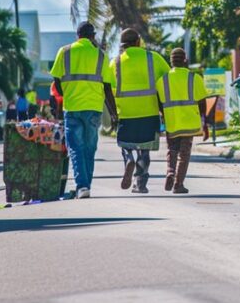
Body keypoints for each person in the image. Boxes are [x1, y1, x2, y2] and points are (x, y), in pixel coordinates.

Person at [50, 21, 115, 199]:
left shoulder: (64, 52)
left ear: (77, 36)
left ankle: (82, 186)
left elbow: (57, 80)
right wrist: (114, 113)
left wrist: (66, 95)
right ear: (93, 36)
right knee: (89, 148)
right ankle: (85, 185)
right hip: (94, 108)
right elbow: (107, 87)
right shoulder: (102, 55)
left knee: (76, 149)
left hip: (72, 107)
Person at [112, 28, 169, 194]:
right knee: (144, 150)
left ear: (122, 44)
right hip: (149, 111)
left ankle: (128, 158)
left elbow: (107, 87)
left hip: (125, 112)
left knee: (125, 144)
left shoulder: (115, 62)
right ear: (138, 42)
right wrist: (164, 110)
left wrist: (113, 113)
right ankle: (140, 183)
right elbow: (167, 81)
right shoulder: (154, 59)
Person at [157, 48, 209, 194]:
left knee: (172, 150)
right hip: (189, 122)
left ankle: (170, 172)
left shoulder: (162, 80)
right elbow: (202, 103)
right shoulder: (194, 78)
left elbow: (160, 103)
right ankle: (178, 184)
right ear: (185, 60)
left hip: (172, 122)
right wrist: (204, 123)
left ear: (171, 62)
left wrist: (164, 116)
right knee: (184, 153)